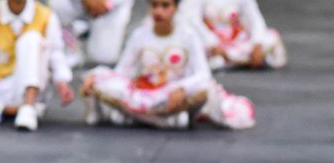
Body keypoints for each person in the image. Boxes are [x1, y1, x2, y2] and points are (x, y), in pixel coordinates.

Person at [80, 0, 255, 130]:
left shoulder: (188, 36)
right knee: (99, 81)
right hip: (146, 92)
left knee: (203, 90)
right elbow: (122, 72)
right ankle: (160, 118)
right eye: (154, 6)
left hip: (172, 93)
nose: (159, 11)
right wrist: (97, 77)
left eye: (165, 6)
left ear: (175, 9)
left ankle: (146, 116)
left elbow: (203, 74)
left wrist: (181, 88)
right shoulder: (140, 35)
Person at [0, 0, 74, 131]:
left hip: (33, 87)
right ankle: (10, 110)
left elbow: (55, 54)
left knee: (31, 38)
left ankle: (27, 106)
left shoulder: (46, 15)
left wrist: (62, 81)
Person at [179, 0, 287, 71]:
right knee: (190, 49)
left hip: (236, 42)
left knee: (272, 38)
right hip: (210, 44)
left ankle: (230, 60)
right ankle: (240, 61)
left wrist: (257, 44)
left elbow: (255, 19)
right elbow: (191, 20)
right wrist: (212, 43)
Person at [48, 0, 135, 67]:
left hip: (110, 10)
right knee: (57, 4)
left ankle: (83, 29)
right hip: (77, 3)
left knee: (103, 58)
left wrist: (106, 3)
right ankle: (69, 37)